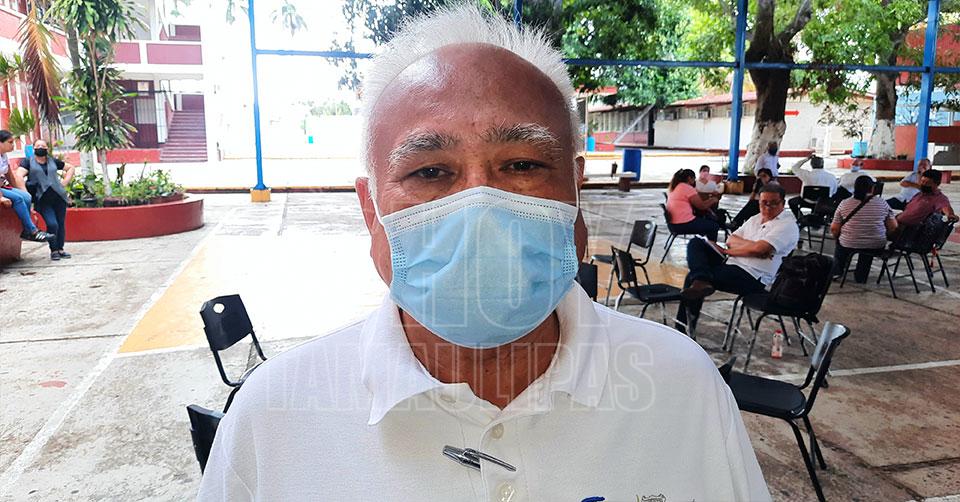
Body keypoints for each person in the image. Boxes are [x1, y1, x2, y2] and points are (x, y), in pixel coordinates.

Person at [198, 5, 770, 501]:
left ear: (575, 191)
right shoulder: (272, 420)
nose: (480, 206)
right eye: (430, 171)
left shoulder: (683, 388)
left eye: (522, 164)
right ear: (371, 209)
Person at [676, 183, 799, 334]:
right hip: (731, 264)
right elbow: (731, 239)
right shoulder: (755, 218)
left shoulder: (787, 225)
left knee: (692, 277)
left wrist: (732, 251)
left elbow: (760, 249)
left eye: (773, 203)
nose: (767, 207)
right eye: (764, 203)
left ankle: (683, 329)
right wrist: (752, 248)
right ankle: (700, 280)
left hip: (752, 276)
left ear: (783, 203)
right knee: (697, 243)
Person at [830, 176, 897, 283]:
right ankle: (861, 276)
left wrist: (837, 237)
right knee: (868, 250)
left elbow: (834, 228)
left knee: (841, 246)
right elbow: (893, 226)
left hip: (849, 242)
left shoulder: (844, 203)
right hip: (876, 243)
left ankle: (837, 272)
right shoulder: (882, 203)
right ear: (872, 188)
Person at [20, 139, 75, 260]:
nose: (41, 147)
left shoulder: (53, 161)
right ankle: (53, 249)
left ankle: (60, 249)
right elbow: (18, 175)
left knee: (60, 223)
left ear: (47, 148)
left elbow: (70, 168)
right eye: (38, 146)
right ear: (34, 148)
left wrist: (65, 181)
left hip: (58, 197)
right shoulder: (28, 162)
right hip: (42, 199)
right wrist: (25, 193)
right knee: (52, 224)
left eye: (43, 146)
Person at [0, 130, 53, 243]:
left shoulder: (3, 156)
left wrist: (17, 189)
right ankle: (33, 231)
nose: (13, 145)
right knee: (18, 199)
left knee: (26, 197)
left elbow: (10, 175)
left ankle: (26, 230)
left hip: (3, 186)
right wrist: (1, 197)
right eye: (10, 142)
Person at [666, 168, 721, 241]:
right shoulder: (686, 187)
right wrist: (713, 200)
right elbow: (701, 206)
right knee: (714, 226)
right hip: (683, 224)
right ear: (689, 178)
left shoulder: (675, 186)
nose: (694, 181)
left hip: (673, 224)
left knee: (705, 221)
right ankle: (710, 247)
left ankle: (703, 242)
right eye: (694, 179)